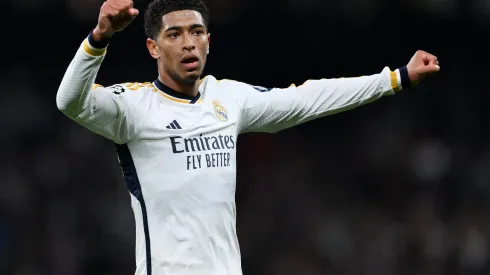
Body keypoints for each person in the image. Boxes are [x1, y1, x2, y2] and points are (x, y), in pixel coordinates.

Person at [56, 0, 440, 274]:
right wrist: (99, 37)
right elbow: (69, 101)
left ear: (209, 40)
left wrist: (395, 78)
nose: (189, 43)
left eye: (197, 32)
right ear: (153, 47)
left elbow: (306, 98)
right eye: (174, 34)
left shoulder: (228, 98)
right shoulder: (133, 108)